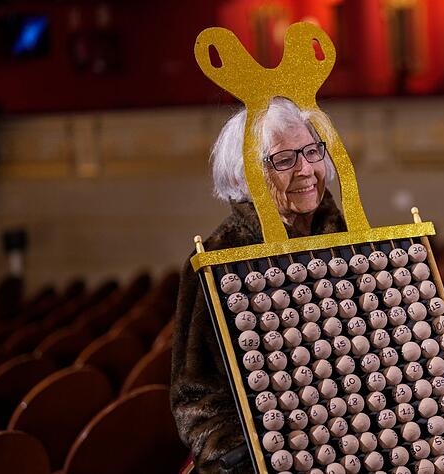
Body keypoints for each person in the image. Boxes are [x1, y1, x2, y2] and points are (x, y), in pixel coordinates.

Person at [170, 97, 347, 473]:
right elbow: (196, 397)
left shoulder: (350, 241)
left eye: (312, 152)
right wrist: (244, 455)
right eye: (284, 160)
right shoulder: (217, 259)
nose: (305, 170)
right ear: (245, 173)